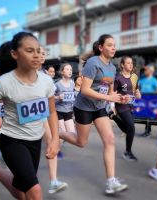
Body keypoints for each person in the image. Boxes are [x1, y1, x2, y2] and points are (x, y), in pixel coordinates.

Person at [0, 32, 59, 200]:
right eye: (30, 50)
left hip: (34, 142)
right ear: (15, 55)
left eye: (39, 50)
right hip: (12, 141)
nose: (37, 55)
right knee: (35, 192)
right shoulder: (4, 83)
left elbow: (51, 112)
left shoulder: (46, 81)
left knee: (21, 193)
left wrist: (54, 139)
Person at [59, 34, 128, 194]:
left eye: (114, 45)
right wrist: (108, 97)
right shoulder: (92, 63)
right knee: (81, 142)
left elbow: (110, 90)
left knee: (110, 140)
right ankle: (58, 133)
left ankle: (111, 182)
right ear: (101, 47)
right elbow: (85, 90)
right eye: (110, 45)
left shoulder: (112, 67)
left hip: (99, 108)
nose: (113, 48)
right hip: (83, 107)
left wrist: (118, 98)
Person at [38, 46, 68, 194]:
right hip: (21, 121)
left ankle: (53, 181)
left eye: (44, 53)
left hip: (41, 114)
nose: (41, 55)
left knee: (51, 144)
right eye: (39, 52)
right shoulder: (19, 74)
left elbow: (51, 106)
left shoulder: (46, 78)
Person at [112, 56, 141, 161]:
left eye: (131, 63)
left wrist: (138, 94)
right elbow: (112, 94)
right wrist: (121, 98)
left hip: (131, 105)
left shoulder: (134, 77)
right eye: (128, 63)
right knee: (132, 128)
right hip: (121, 106)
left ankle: (114, 117)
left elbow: (137, 92)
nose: (130, 65)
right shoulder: (118, 78)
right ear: (122, 65)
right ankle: (127, 152)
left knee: (129, 129)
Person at [54, 63, 77, 159]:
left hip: (68, 111)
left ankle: (55, 136)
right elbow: (50, 98)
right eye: (67, 69)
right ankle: (56, 151)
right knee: (62, 133)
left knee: (72, 134)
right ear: (62, 72)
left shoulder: (72, 83)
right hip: (58, 111)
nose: (70, 71)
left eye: (71, 70)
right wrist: (58, 97)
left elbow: (74, 94)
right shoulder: (57, 85)